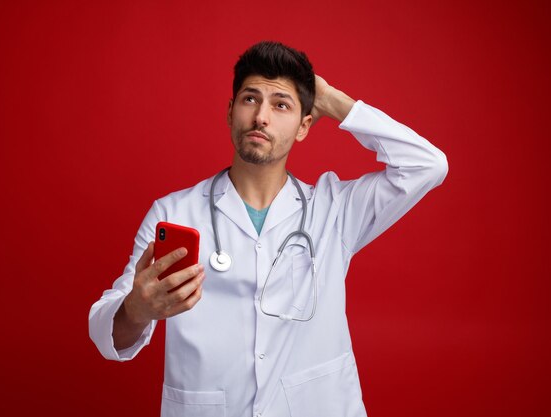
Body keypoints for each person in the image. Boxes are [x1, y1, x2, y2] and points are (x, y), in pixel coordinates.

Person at [89, 41, 448, 417]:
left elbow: (428, 165)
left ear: (305, 125)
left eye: (281, 105)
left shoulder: (335, 210)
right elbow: (107, 334)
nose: (261, 117)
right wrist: (136, 309)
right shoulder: (173, 212)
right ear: (230, 112)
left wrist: (334, 101)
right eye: (249, 99)